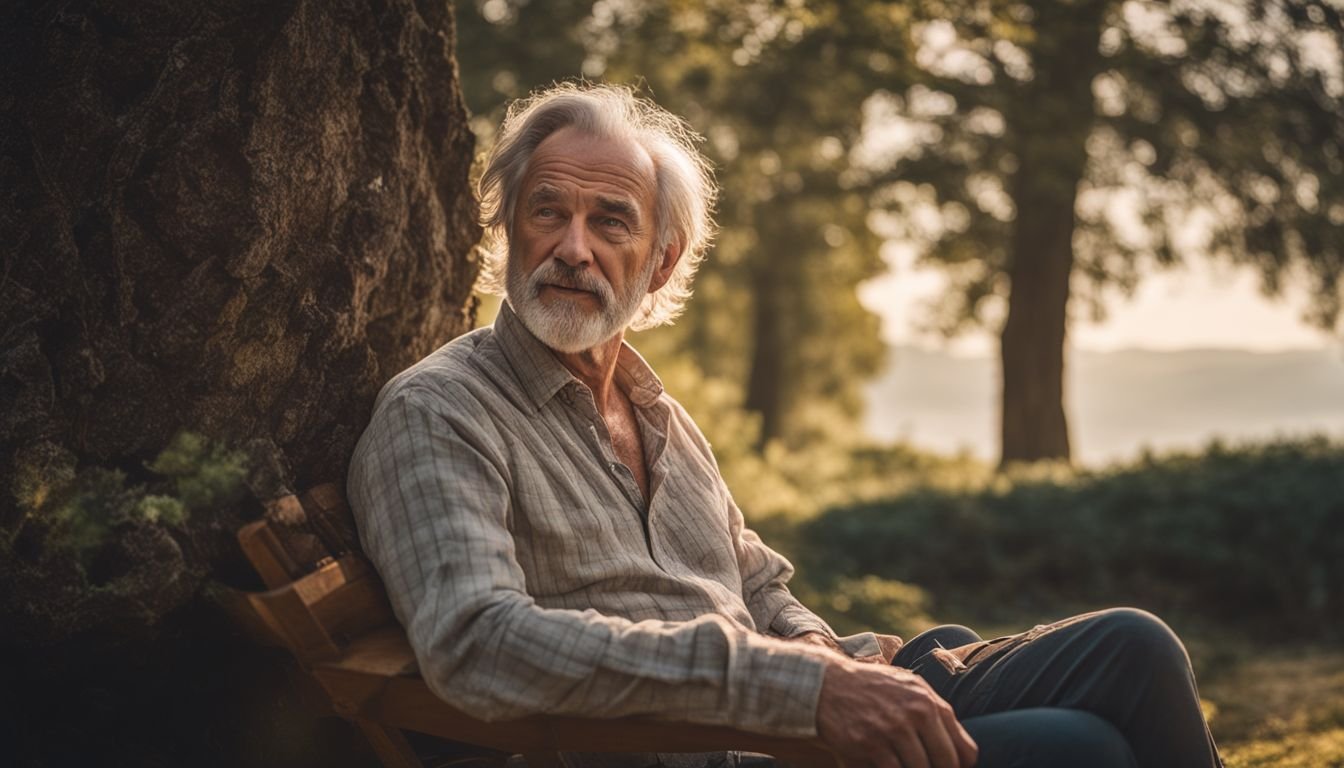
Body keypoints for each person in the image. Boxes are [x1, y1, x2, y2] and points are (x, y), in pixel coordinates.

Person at [348, 82, 1223, 768]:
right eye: (549, 211)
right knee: (1084, 752)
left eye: (609, 220)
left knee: (1136, 647)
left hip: (800, 709)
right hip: (711, 749)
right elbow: (477, 645)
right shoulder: (441, 411)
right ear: (507, 229)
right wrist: (797, 686)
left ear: (658, 264)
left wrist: (823, 657)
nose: (573, 247)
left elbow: (758, 584)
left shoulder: (659, 415)